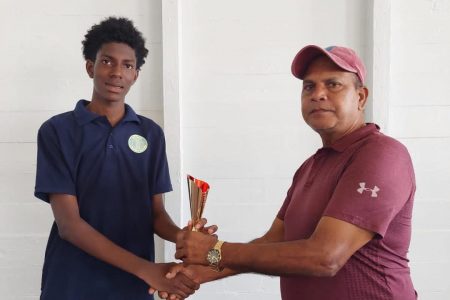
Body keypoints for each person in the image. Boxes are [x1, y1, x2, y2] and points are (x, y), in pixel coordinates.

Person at [170, 45, 417, 300]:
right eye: (309, 87)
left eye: (333, 84)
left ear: (361, 97)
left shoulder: (382, 154)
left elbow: (326, 257)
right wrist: (198, 272)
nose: (318, 94)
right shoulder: (310, 167)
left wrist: (216, 250)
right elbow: (271, 243)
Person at [34, 17, 213, 300]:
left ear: (136, 75)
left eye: (127, 65)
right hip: (70, 283)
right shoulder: (57, 131)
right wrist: (148, 269)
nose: (117, 72)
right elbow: (69, 226)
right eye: (107, 61)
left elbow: (155, 214)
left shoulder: (151, 134)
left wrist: (183, 238)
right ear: (90, 67)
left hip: (132, 288)